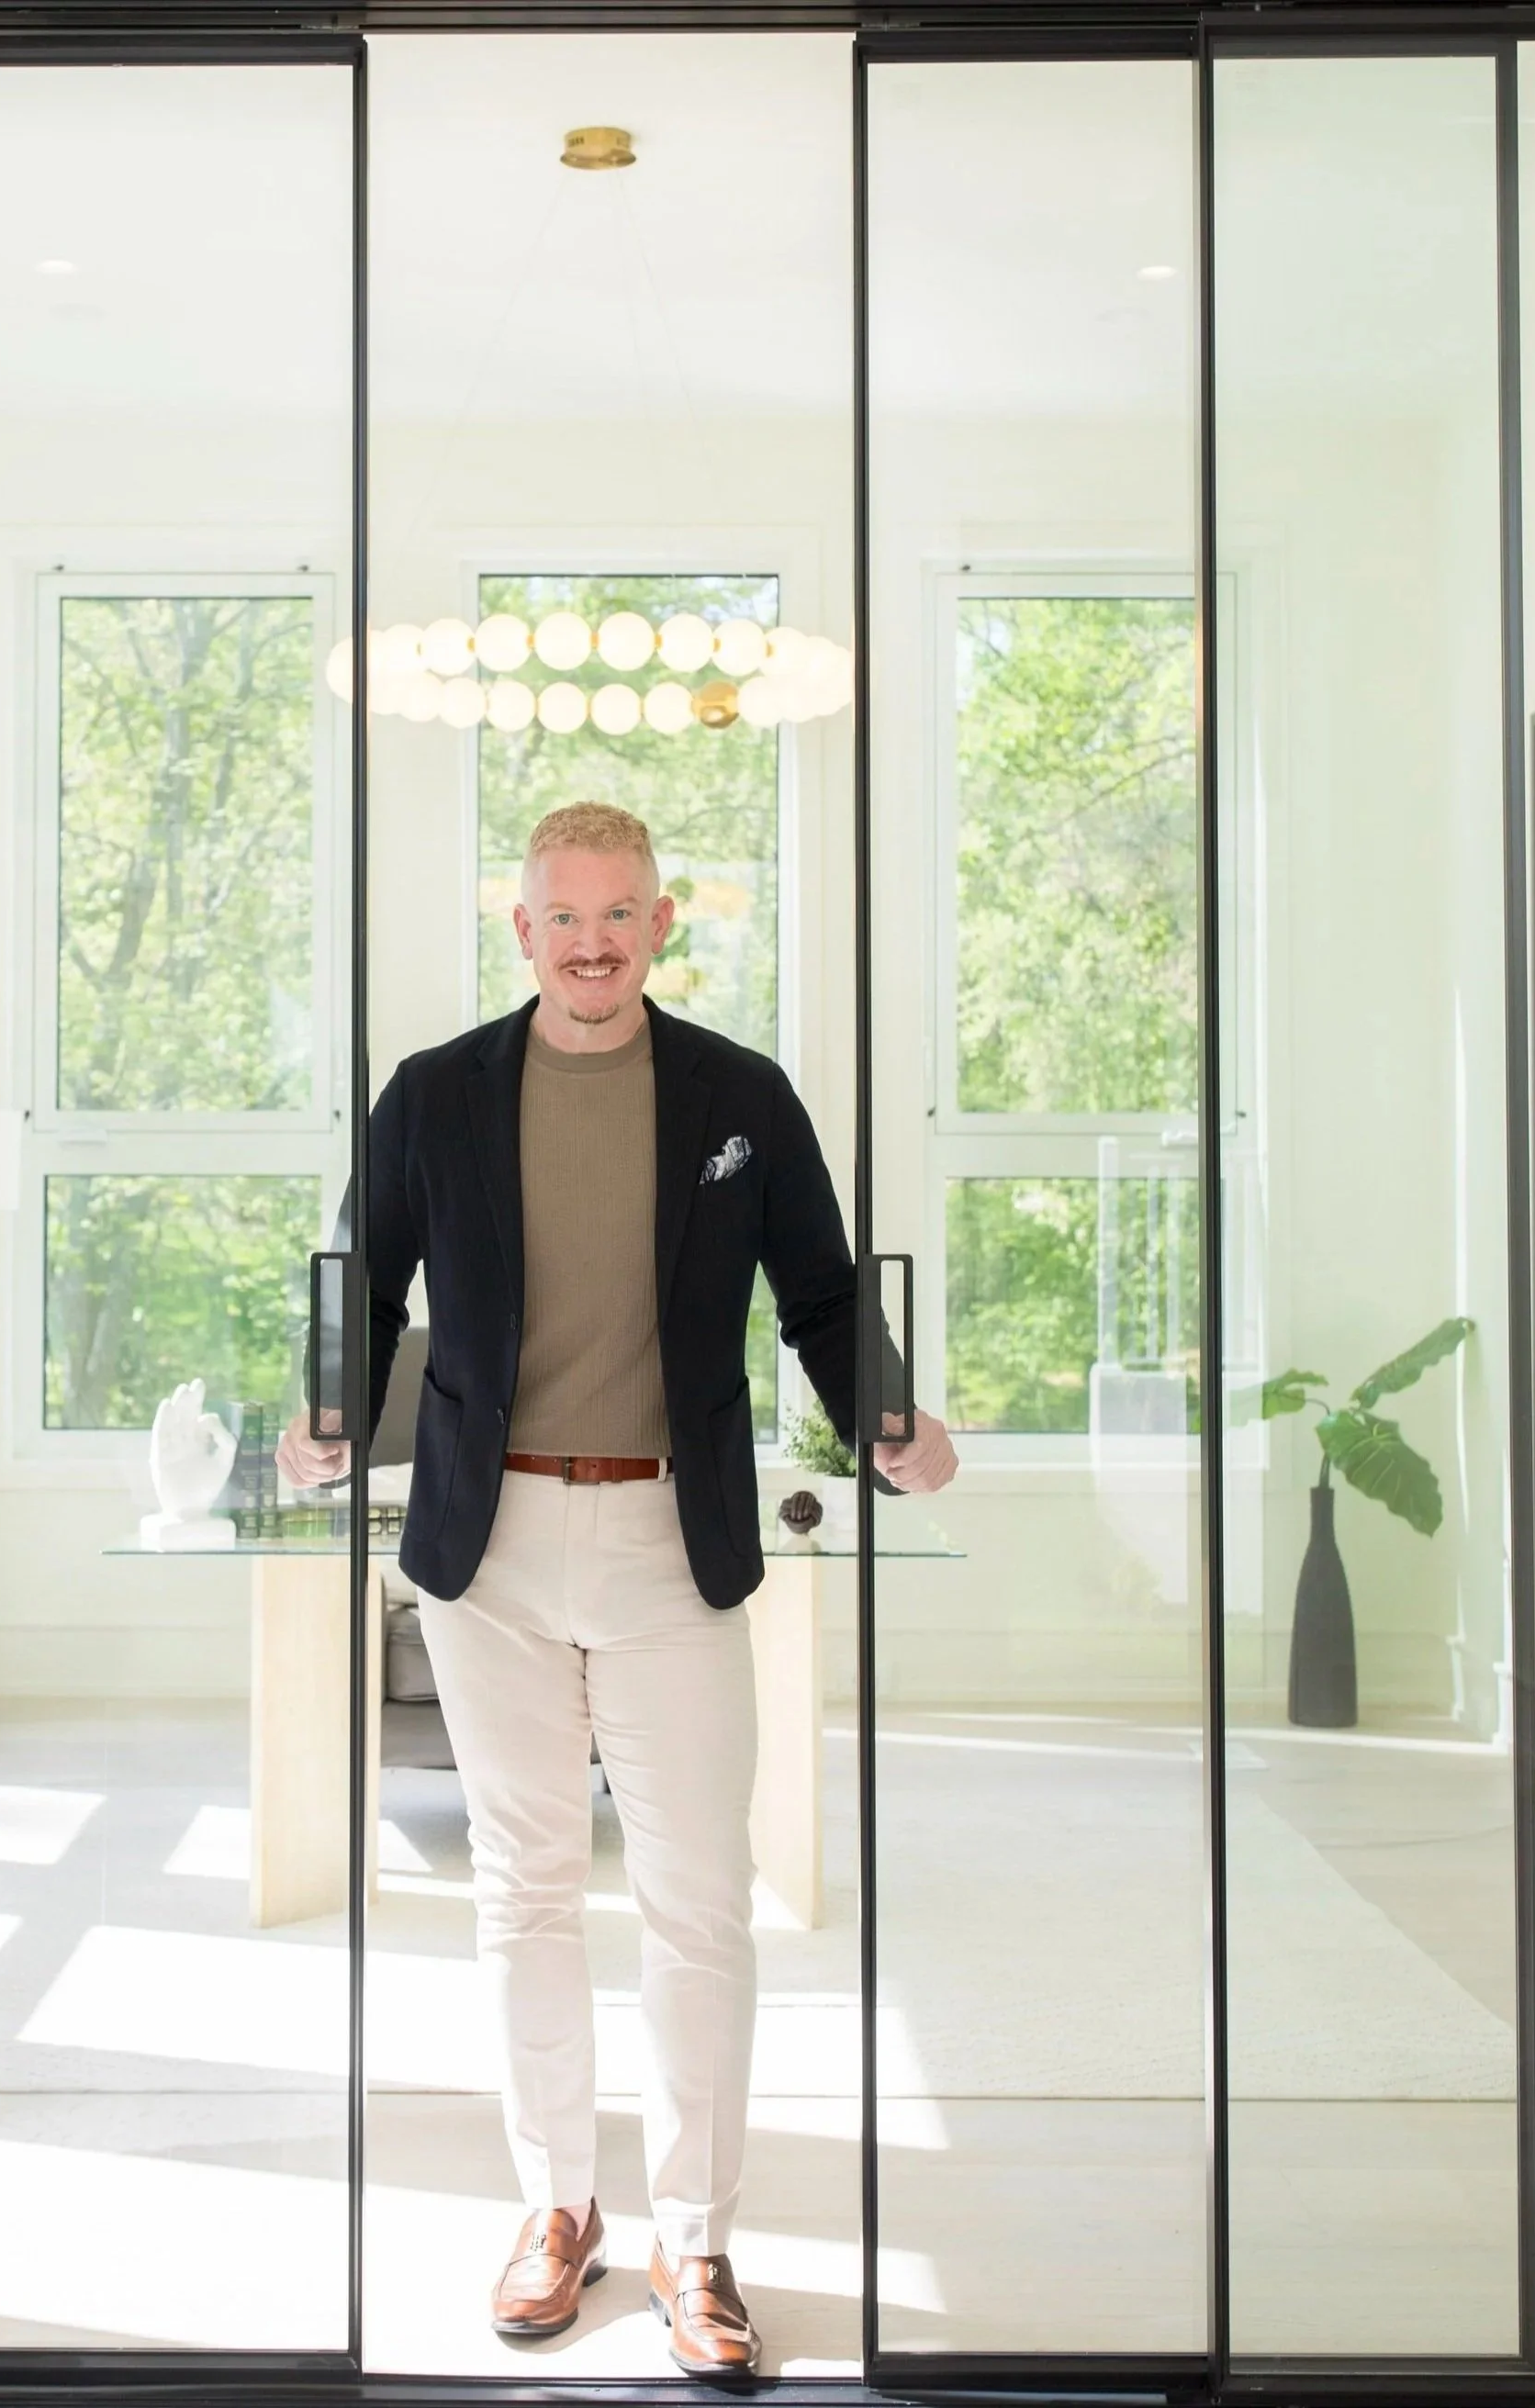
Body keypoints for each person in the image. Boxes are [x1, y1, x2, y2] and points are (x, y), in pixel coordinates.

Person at [278, 801, 958, 2378]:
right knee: (519, 1887)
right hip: (488, 1544)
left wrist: (890, 1420)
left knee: (694, 1899)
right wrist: (320, 1410)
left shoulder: (740, 1095)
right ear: (521, 930)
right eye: (561, 917)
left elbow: (826, 1296)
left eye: (619, 915)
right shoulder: (434, 1095)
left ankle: (697, 2236)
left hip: (671, 1538)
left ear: (662, 924)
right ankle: (556, 2209)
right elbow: (361, 1287)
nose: (590, 942)